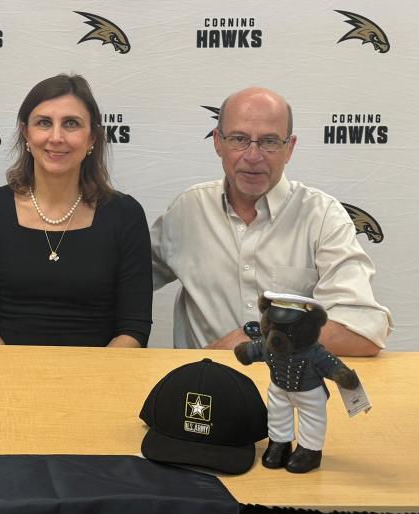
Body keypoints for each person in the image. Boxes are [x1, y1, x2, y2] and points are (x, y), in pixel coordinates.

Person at [150, 87, 392, 356]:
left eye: (269, 142)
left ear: (289, 148)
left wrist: (261, 339)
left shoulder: (322, 216)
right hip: (203, 392)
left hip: (292, 393)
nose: (253, 156)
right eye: (239, 139)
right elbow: (122, 280)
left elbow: (364, 332)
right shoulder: (188, 210)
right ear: (218, 142)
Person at [0, 74, 152, 347]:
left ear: (92, 138)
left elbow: (133, 329)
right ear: (26, 133)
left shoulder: (125, 215)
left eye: (71, 124)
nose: (56, 137)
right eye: (44, 123)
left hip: (101, 378)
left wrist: (92, 382)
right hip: (7, 376)